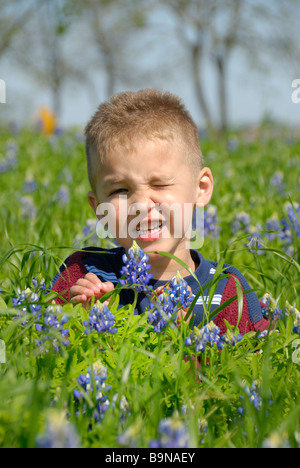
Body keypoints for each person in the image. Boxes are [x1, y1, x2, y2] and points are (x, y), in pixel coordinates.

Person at [51, 89, 269, 335]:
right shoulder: (84, 272)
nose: (142, 205)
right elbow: (38, 343)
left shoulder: (227, 291)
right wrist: (80, 319)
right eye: (120, 190)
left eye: (160, 183)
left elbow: (255, 365)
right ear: (98, 209)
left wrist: (181, 338)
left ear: (201, 188)